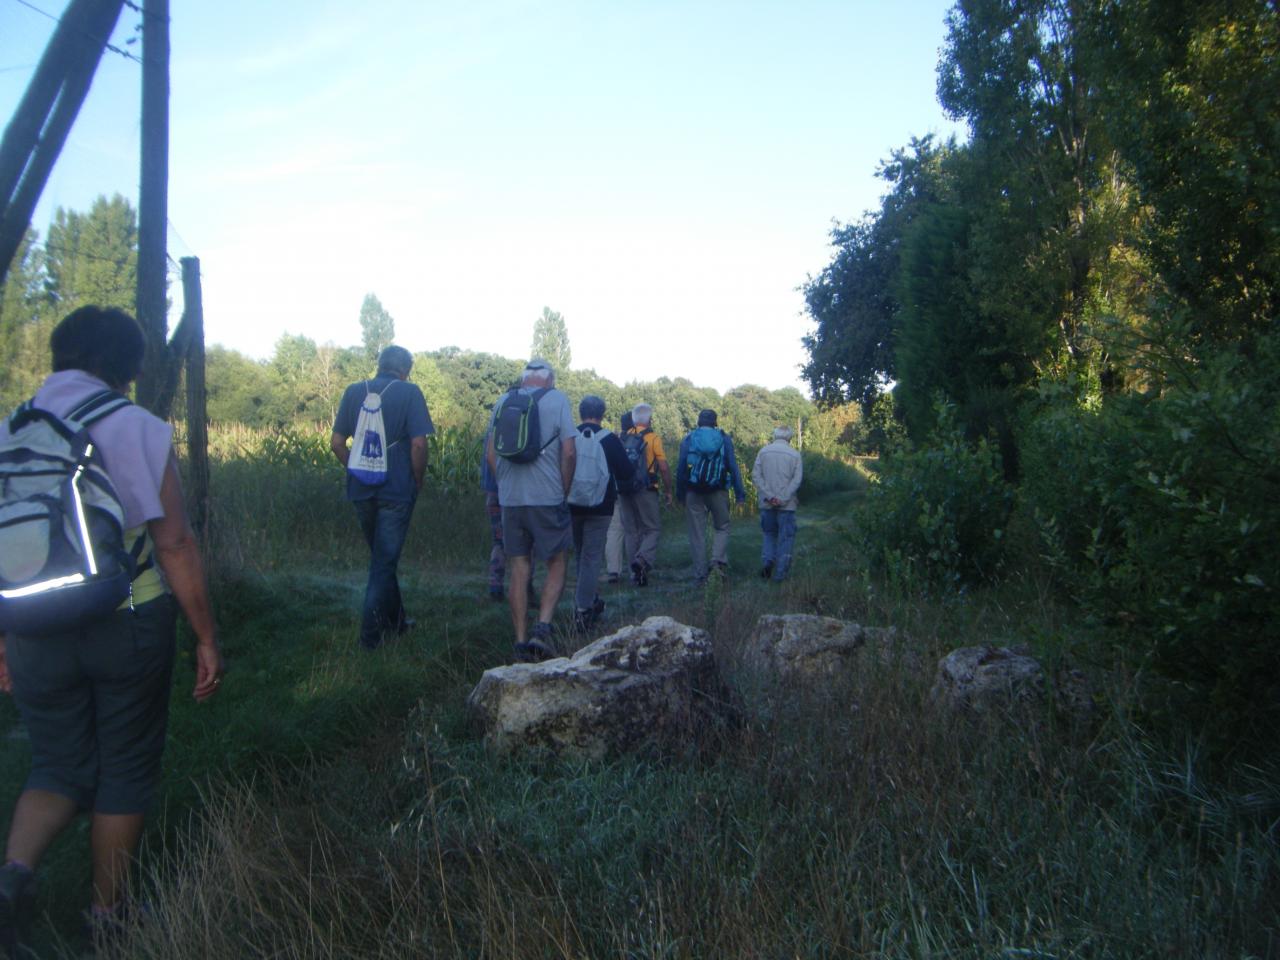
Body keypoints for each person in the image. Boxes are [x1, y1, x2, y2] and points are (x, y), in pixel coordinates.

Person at [0, 306, 224, 952]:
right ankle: (107, 917)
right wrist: (205, 636)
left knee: (56, 763)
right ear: (128, 369)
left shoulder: (13, 430)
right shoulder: (139, 428)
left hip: (32, 623)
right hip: (126, 619)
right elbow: (175, 543)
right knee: (124, 766)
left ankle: (11, 882)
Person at [330, 345, 434, 650]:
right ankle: (370, 639)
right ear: (404, 370)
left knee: (382, 559)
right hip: (397, 490)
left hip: (361, 490)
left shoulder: (353, 391)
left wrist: (356, 470)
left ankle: (397, 621)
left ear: (380, 365)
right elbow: (418, 445)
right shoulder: (409, 392)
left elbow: (336, 443)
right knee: (382, 565)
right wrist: (418, 479)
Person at [486, 359, 576, 661]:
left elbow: (490, 453)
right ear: (549, 380)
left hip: (511, 500)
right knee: (557, 561)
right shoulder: (557, 399)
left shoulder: (503, 401)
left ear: (524, 380)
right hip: (547, 498)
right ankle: (543, 628)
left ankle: (520, 642)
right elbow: (569, 451)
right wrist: (562, 489)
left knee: (519, 568)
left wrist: (506, 486)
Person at [568, 396, 632, 634]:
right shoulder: (609, 439)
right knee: (592, 556)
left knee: (581, 554)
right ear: (602, 414)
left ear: (581, 412)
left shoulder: (570, 436)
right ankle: (583, 610)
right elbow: (626, 472)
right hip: (601, 505)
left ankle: (589, 598)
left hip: (572, 504)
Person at [675, 409, 747, 583]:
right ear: (715, 422)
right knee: (722, 526)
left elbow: (681, 468)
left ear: (699, 422)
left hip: (693, 491)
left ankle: (700, 575)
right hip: (718, 489)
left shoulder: (689, 438)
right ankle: (717, 562)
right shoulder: (723, 438)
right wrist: (740, 494)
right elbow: (732, 466)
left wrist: (680, 495)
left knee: (697, 533)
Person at [617, 403, 673, 586]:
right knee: (653, 528)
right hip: (646, 488)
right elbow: (663, 467)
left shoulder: (623, 436)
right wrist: (668, 491)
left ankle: (635, 576)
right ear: (649, 419)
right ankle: (641, 561)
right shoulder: (653, 438)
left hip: (624, 489)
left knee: (631, 531)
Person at [752, 425, 804, 581]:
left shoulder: (763, 451)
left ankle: (768, 562)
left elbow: (756, 475)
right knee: (786, 537)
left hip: (766, 503)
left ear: (775, 436)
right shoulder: (795, 454)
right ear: (789, 438)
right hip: (786, 505)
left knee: (769, 534)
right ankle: (781, 573)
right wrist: (783, 497)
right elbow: (797, 480)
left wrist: (769, 496)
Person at [602, 409, 634, 584]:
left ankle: (613, 570)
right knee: (634, 530)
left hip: (613, 491)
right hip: (633, 491)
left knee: (614, 531)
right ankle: (636, 568)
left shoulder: (613, 440)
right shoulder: (640, 439)